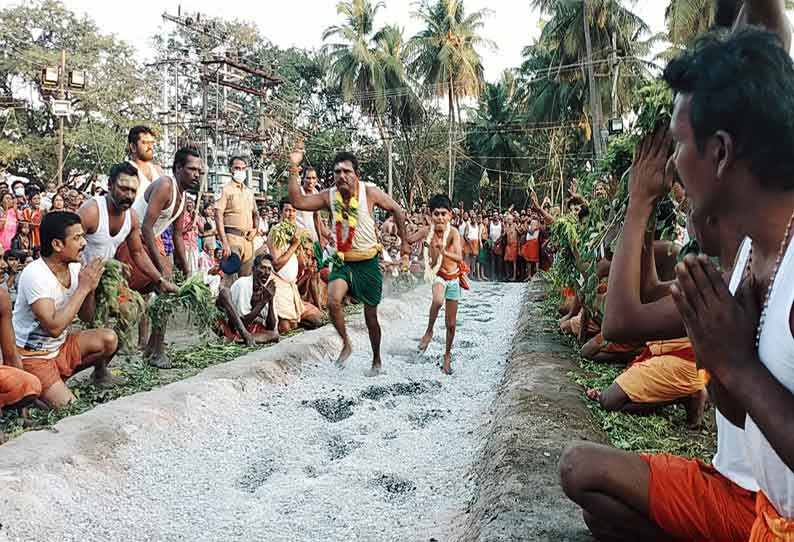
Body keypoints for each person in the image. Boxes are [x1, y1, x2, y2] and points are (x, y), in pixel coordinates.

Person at [560, 17, 794, 541]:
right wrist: (720, 356)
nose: (673, 165)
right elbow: (740, 412)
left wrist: (734, 363)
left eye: (679, 146)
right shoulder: (756, 255)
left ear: (722, 152)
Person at [288, 147, 410, 375]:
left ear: (357, 175)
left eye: (347, 171)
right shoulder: (329, 196)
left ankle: (376, 360)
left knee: (370, 318)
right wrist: (294, 166)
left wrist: (404, 244)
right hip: (343, 261)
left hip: (368, 262)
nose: (341, 176)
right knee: (333, 301)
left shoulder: (369, 193)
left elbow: (396, 209)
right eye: (337, 172)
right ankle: (346, 342)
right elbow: (297, 201)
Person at [13, 212, 120, 408]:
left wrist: (90, 290)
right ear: (57, 245)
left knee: (109, 339)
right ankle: (37, 389)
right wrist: (84, 287)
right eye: (77, 238)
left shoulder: (73, 267)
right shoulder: (35, 274)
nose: (84, 243)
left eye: (83, 237)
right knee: (70, 407)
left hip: (60, 347)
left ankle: (61, 382)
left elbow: (86, 316)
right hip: (33, 357)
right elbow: (53, 328)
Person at [120, 147, 198, 368]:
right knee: (159, 286)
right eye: (191, 169)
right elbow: (146, 226)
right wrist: (162, 267)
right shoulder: (166, 185)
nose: (196, 175)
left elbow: (178, 234)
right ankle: (153, 349)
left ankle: (154, 348)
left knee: (168, 287)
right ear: (178, 168)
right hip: (134, 239)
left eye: (199, 171)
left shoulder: (182, 197)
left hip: (149, 240)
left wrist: (184, 268)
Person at [78, 162, 178, 291]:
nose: (129, 196)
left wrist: (160, 281)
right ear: (110, 185)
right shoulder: (91, 211)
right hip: (81, 280)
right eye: (123, 189)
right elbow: (68, 248)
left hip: (104, 282)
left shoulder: (132, 218)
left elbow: (138, 253)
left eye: (133, 191)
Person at [411, 194, 466, 375]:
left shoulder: (454, 233)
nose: (440, 218)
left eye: (444, 214)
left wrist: (444, 252)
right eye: (436, 214)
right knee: (437, 300)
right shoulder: (427, 231)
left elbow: (459, 257)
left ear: (450, 215)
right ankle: (429, 331)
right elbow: (409, 239)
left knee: (451, 324)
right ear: (430, 215)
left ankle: (447, 355)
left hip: (454, 278)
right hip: (438, 275)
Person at [267, 199, 324, 334]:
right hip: (278, 283)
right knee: (285, 328)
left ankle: (296, 320)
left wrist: (306, 260)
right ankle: (287, 321)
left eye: (293, 211)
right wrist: (294, 245)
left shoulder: (296, 232)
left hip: (291, 285)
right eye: (287, 210)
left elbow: (299, 262)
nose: (290, 214)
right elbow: (277, 264)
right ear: (281, 212)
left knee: (317, 319)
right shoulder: (275, 232)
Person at [0, 287, 41, 444]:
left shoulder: (1, 296)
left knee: (29, 384)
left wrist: (23, 413)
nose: (3, 265)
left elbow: (11, 355)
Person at [215, 253, 279, 347]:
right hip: (232, 325)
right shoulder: (243, 284)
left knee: (274, 335)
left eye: (269, 269)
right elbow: (242, 322)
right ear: (253, 269)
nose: (266, 272)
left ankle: (237, 341)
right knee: (225, 292)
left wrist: (270, 299)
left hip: (247, 330)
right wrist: (262, 302)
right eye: (263, 268)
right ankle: (242, 337)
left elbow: (271, 326)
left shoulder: (266, 289)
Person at [216, 156, 258, 284]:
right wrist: (224, 243)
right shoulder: (224, 190)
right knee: (230, 280)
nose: (240, 171)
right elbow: (218, 215)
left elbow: (256, 213)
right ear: (231, 170)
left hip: (248, 241)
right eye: (237, 168)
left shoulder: (249, 192)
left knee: (246, 282)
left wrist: (255, 229)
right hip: (232, 239)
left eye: (243, 168)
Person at [127, 125, 163, 202]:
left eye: (152, 143)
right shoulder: (126, 171)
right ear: (133, 147)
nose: (150, 147)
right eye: (145, 143)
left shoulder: (158, 171)